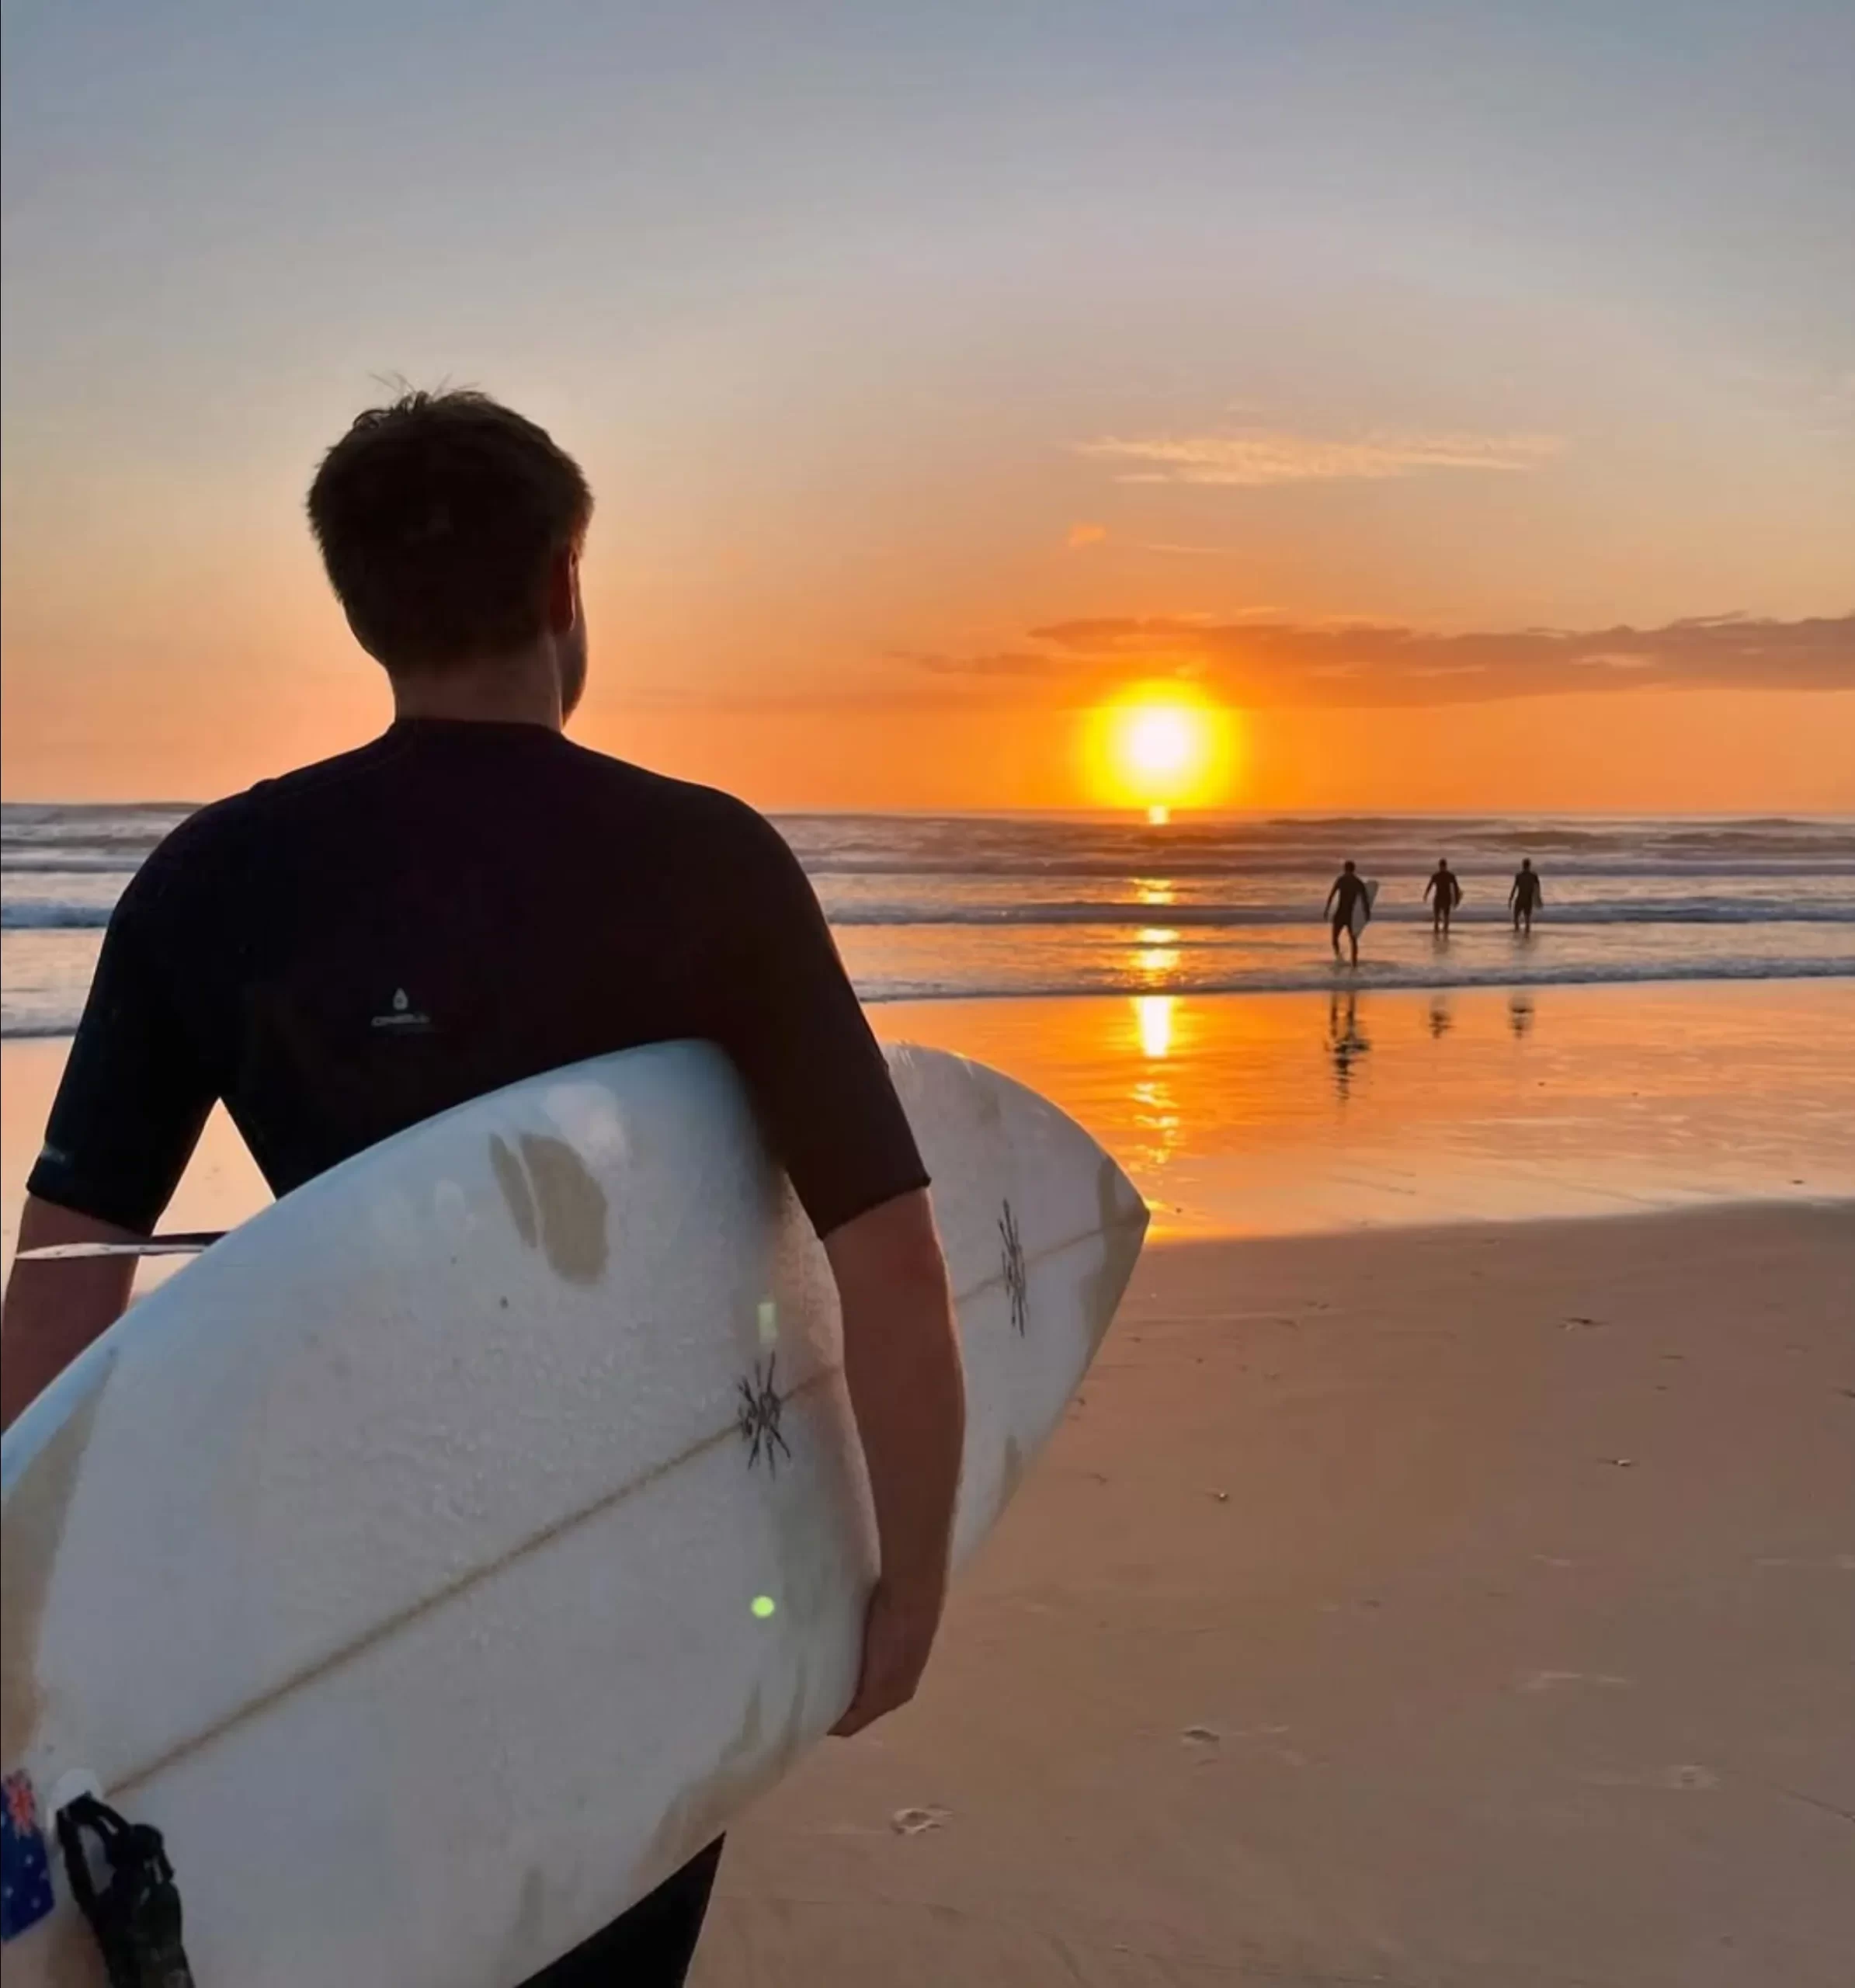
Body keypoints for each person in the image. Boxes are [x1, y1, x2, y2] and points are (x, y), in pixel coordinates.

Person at [0, 390, 967, 1988]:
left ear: (359, 609)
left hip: (346, 1563)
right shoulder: (710, 862)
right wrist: (909, 1575)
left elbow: (65, 1283)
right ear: (566, 580)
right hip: (648, 1555)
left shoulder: (207, 879)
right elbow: (897, 1263)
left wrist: (22, 1645)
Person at [1324, 859, 1370, 967]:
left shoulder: (1341, 880)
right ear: (1354, 869)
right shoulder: (1358, 882)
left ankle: (1339, 958)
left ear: (1345, 868)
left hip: (1340, 913)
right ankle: (1354, 962)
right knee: (1353, 940)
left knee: (1334, 939)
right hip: (1350, 914)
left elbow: (1332, 895)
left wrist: (1327, 909)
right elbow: (1365, 900)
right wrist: (1367, 914)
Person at [1424, 857, 1461, 935]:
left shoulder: (1450, 876)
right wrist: (1426, 895)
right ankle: (1437, 931)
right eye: (1442, 866)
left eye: (1443, 866)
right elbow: (1430, 886)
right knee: (1437, 917)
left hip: (1446, 898)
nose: (1442, 868)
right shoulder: (1437, 876)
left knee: (1446, 917)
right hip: (1439, 898)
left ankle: (1445, 932)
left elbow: (1456, 888)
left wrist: (1456, 899)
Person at [1509, 856, 1544, 934]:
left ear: (1523, 865)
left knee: (1516, 918)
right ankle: (1526, 933)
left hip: (1520, 899)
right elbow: (1538, 888)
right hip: (1528, 899)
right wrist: (1538, 898)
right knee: (1527, 919)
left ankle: (1517, 930)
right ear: (1529, 865)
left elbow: (1514, 888)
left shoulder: (1519, 876)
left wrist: (1510, 899)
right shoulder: (1533, 876)